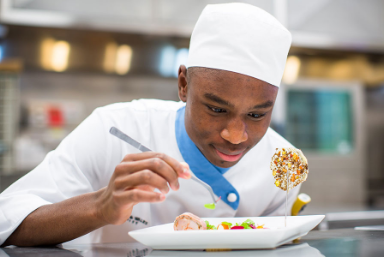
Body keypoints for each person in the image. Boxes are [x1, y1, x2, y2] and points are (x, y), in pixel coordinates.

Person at [0, 2, 299, 246]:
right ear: (183, 84)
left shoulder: (284, 164)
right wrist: (100, 207)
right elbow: (8, 220)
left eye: (257, 115)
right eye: (217, 109)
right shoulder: (115, 130)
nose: (235, 136)